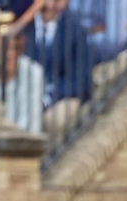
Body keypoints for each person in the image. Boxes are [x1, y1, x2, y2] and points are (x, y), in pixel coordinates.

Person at [24, 0, 93, 136]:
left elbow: (81, 81)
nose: (49, 4)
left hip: (61, 97)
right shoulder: (25, 28)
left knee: (56, 119)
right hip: (26, 96)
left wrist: (48, 96)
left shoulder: (75, 31)